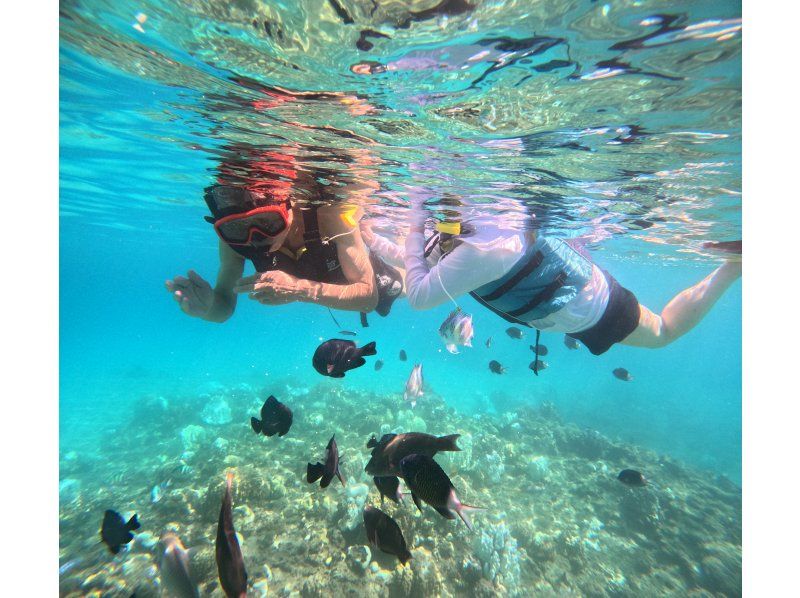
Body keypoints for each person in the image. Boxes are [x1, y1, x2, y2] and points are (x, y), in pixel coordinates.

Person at [383, 198, 740, 355]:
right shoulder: (452, 228)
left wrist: (415, 223)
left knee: (663, 331)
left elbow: (420, 293)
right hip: (566, 304)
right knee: (662, 331)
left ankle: (734, 267)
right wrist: (368, 237)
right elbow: (418, 260)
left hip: (590, 307)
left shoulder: (484, 244)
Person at [166, 146, 403, 322]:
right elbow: (224, 307)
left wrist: (298, 289)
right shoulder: (233, 235)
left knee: (400, 287)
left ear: (288, 207)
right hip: (326, 279)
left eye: (267, 222)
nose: (257, 237)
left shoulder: (329, 215)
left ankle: (407, 241)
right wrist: (207, 308)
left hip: (359, 275)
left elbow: (368, 297)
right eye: (239, 228)